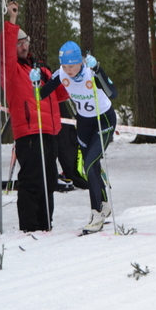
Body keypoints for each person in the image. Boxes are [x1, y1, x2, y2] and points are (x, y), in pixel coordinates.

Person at [34, 42, 118, 234]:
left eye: (71, 65)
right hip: (84, 123)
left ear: (80, 62)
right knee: (91, 167)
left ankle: (96, 214)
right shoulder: (61, 74)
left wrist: (99, 70)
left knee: (89, 164)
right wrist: (36, 82)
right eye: (64, 66)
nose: (68, 70)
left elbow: (113, 93)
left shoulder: (90, 73)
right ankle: (104, 204)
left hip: (104, 120)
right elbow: (40, 95)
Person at [2, 1, 69, 232]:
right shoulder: (11, 71)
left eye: (25, 43)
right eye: (18, 43)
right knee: (31, 180)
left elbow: (61, 95)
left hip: (50, 132)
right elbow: (5, 49)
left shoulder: (41, 70)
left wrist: (66, 75)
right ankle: (29, 228)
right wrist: (12, 19)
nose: (23, 47)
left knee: (49, 181)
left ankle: (45, 225)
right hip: (29, 133)